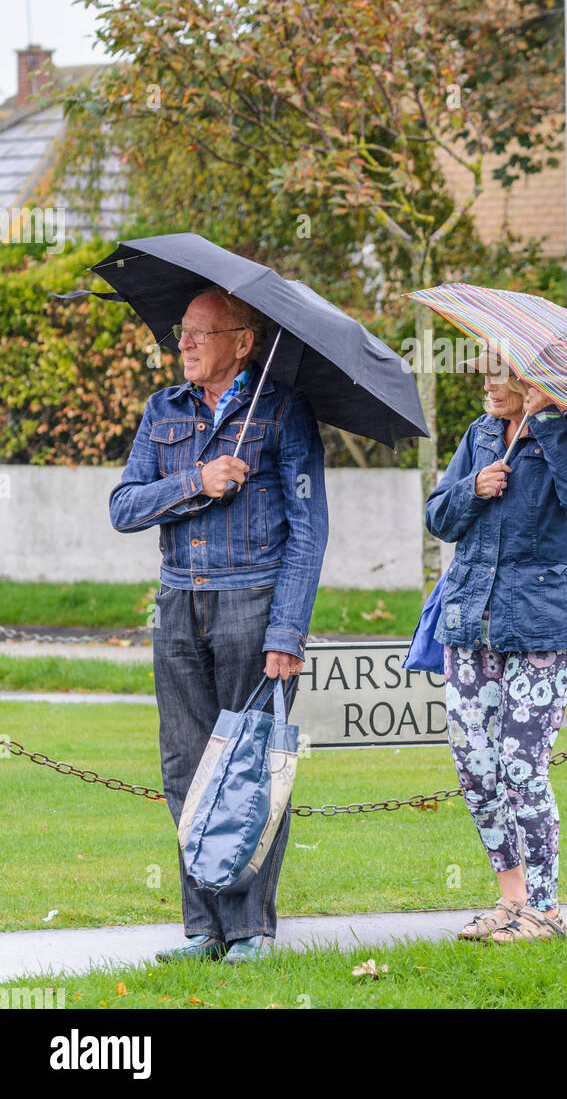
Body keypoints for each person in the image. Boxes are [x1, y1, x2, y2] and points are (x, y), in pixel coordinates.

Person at [110, 287, 328, 964]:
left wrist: (286, 632)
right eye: (183, 332)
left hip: (253, 604)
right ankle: (204, 929)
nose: (185, 344)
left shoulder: (285, 412)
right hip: (178, 606)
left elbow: (309, 530)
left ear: (243, 342)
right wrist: (196, 481)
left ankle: (251, 931)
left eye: (202, 333)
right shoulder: (162, 411)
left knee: (249, 768)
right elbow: (123, 506)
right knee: (186, 769)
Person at [425, 352, 567, 943]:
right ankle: (512, 901)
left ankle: (548, 911)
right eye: (484, 370)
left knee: (521, 767)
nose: (486, 382)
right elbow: (438, 517)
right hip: (471, 623)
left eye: (499, 372)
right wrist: (473, 490)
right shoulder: (479, 436)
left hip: (544, 626)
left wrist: (550, 423)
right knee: (476, 766)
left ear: (535, 381)